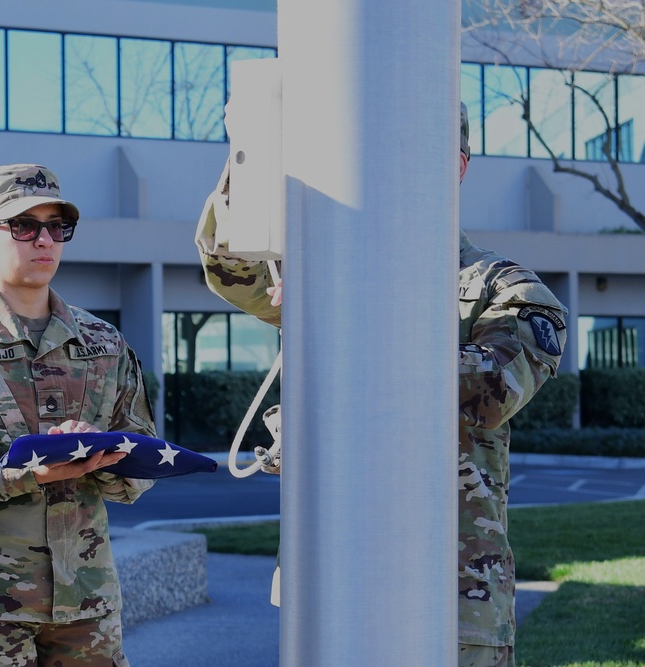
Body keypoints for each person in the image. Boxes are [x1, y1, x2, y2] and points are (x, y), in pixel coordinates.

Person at [195, 103, 567, 667]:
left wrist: (345, 305)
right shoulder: (319, 266)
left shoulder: (504, 288)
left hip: (451, 592)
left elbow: (487, 390)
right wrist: (257, 147)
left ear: (459, 166)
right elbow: (229, 266)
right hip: (331, 584)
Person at [0, 164, 156, 667]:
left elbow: (145, 458)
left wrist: (104, 456)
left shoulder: (103, 342)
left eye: (55, 226)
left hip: (87, 604)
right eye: (23, 225)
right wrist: (16, 473)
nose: (43, 240)